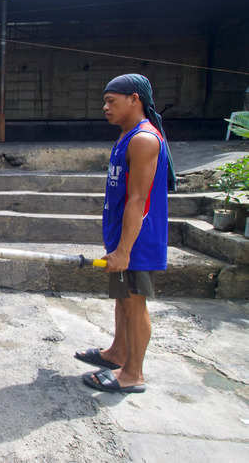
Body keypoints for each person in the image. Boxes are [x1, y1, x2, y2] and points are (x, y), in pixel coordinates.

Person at [75, 74, 169, 394]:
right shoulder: (126, 137)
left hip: (137, 242)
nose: (105, 107)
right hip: (121, 238)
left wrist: (125, 250)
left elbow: (139, 200)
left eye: (111, 101)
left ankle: (133, 374)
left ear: (134, 99)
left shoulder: (144, 139)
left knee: (134, 303)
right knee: (121, 298)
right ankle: (117, 352)